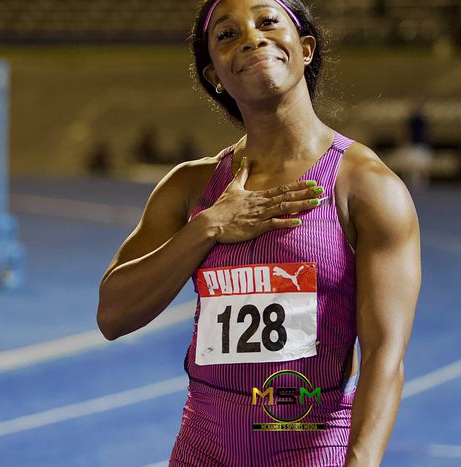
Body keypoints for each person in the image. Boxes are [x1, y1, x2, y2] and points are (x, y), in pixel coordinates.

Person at [96, 0, 421, 465]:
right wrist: (209, 225)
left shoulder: (366, 187)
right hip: (201, 449)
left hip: (309, 449)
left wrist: (362, 461)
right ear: (214, 75)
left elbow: (385, 355)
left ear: (305, 48)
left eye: (267, 21)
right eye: (227, 34)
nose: (251, 37)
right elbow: (112, 315)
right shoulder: (190, 187)